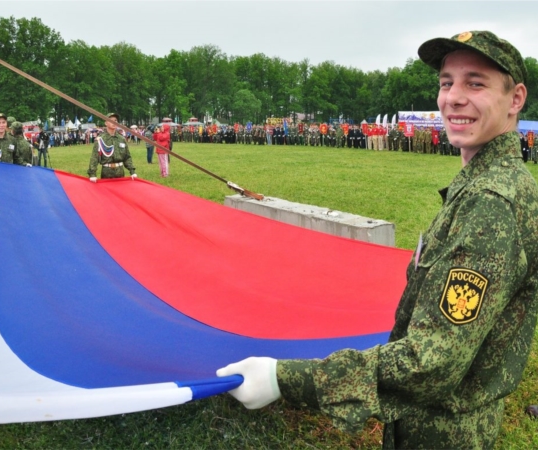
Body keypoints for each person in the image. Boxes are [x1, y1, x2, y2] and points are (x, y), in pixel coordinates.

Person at [217, 30, 538, 450]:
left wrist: (284, 380)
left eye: (475, 83)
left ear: (515, 99)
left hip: (440, 432)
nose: (453, 98)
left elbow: (432, 363)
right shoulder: (493, 181)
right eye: (446, 83)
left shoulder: (490, 203)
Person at [87, 113, 137, 182]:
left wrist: (132, 171)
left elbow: (127, 157)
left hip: (120, 172)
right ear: (106, 123)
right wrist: (92, 174)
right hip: (106, 173)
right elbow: (94, 158)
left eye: (115, 120)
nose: (114, 122)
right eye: (111, 120)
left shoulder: (121, 139)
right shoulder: (101, 139)